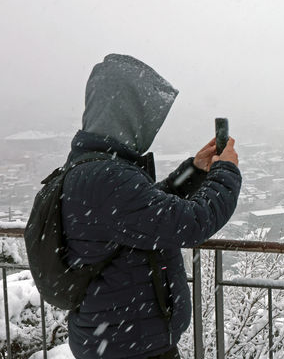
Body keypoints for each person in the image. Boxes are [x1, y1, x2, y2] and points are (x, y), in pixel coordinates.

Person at [61, 54, 242, 358]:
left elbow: (144, 213)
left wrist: (194, 171)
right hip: (130, 345)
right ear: (127, 114)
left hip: (115, 338)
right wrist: (226, 171)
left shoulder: (92, 167)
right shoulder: (108, 177)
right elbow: (192, 222)